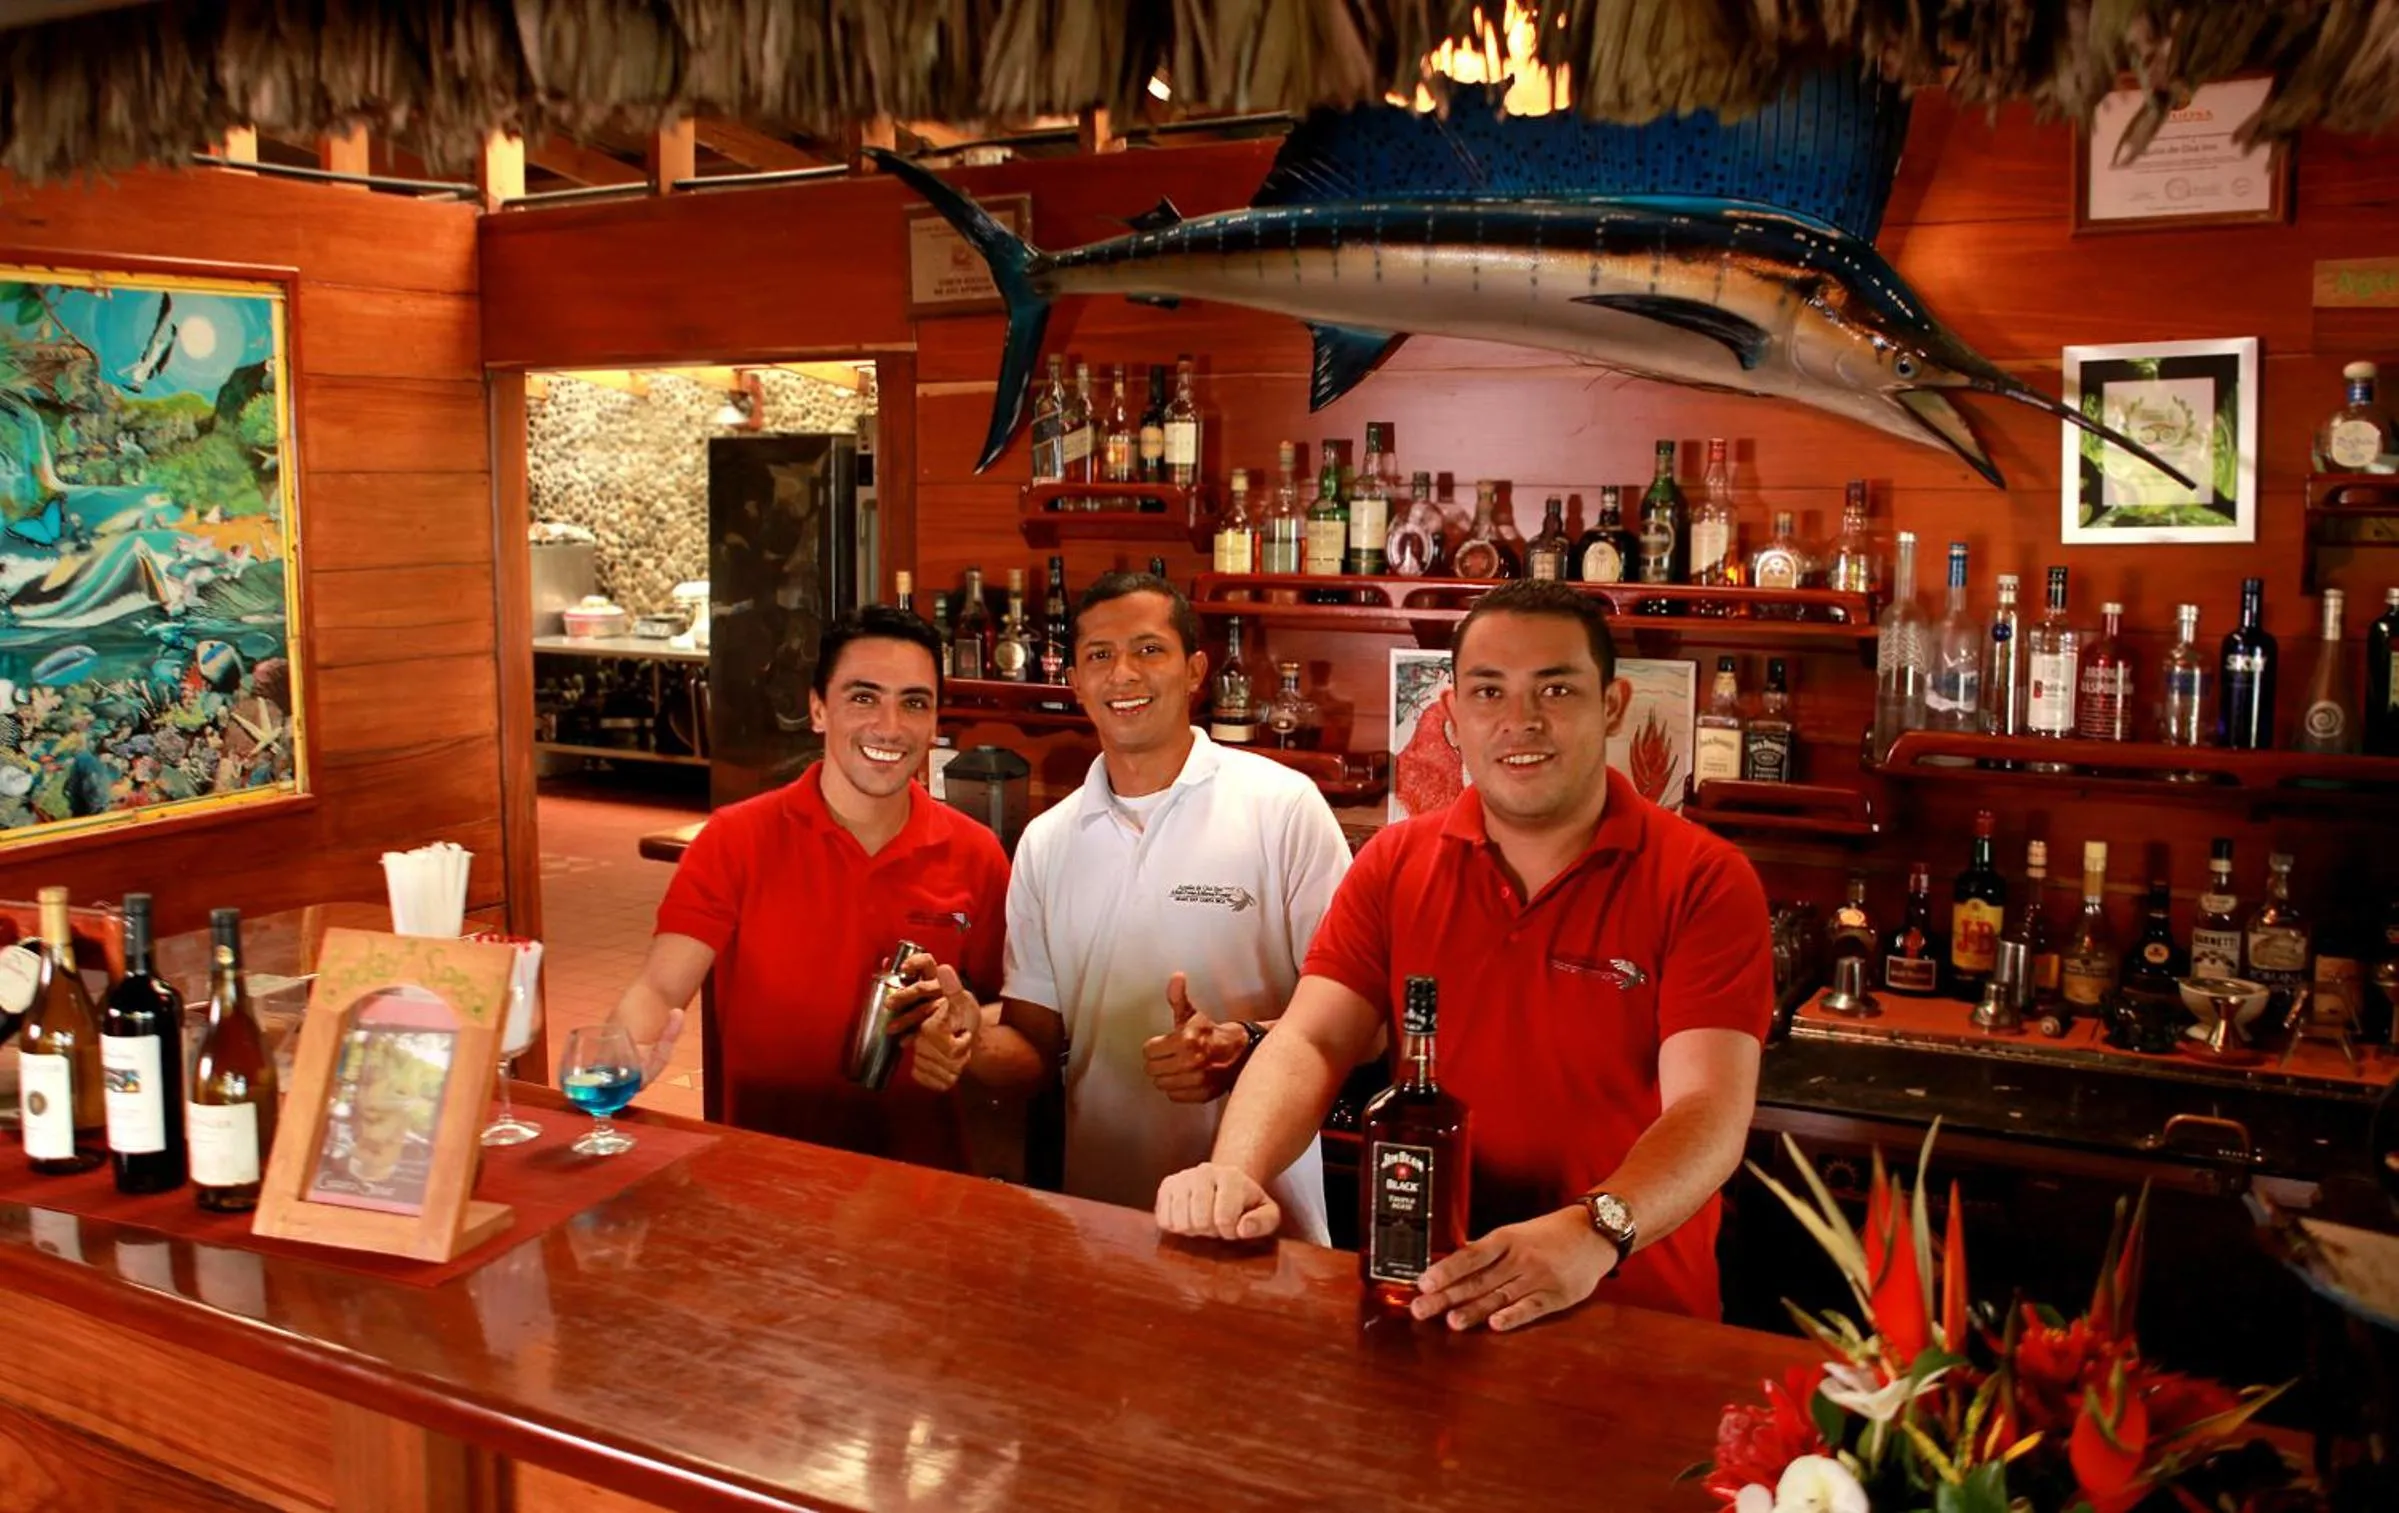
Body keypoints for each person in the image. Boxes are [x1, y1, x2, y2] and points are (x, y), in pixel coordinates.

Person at [1155, 579, 1772, 1329]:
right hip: (1425, 1299)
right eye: (1488, 691)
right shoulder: (1393, 863)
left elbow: (1709, 1108)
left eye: (1556, 688)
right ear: (1451, 715)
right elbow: (1314, 1038)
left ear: (1611, 704)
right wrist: (1232, 1170)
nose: (1520, 720)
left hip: (1630, 1310)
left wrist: (1594, 1229)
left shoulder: (1702, 878)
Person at [994, 572, 1353, 1241]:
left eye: (1147, 649)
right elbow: (1032, 1047)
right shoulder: (1046, 842)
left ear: (1193, 670)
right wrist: (960, 1033)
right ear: (1074, 680)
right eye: (1099, 655)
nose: (1122, 672)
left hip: (1265, 1218)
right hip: (1102, 1222)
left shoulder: (1283, 807)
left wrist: (1240, 1044)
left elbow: (1364, 1029)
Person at [612, 604, 1033, 1171]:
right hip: (764, 1177)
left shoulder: (975, 852)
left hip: (922, 1186)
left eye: (913, 702)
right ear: (817, 709)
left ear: (935, 723)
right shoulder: (736, 839)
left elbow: (1013, 1015)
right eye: (863, 697)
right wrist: (614, 1065)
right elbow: (660, 991)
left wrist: (968, 1032)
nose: (890, 725)